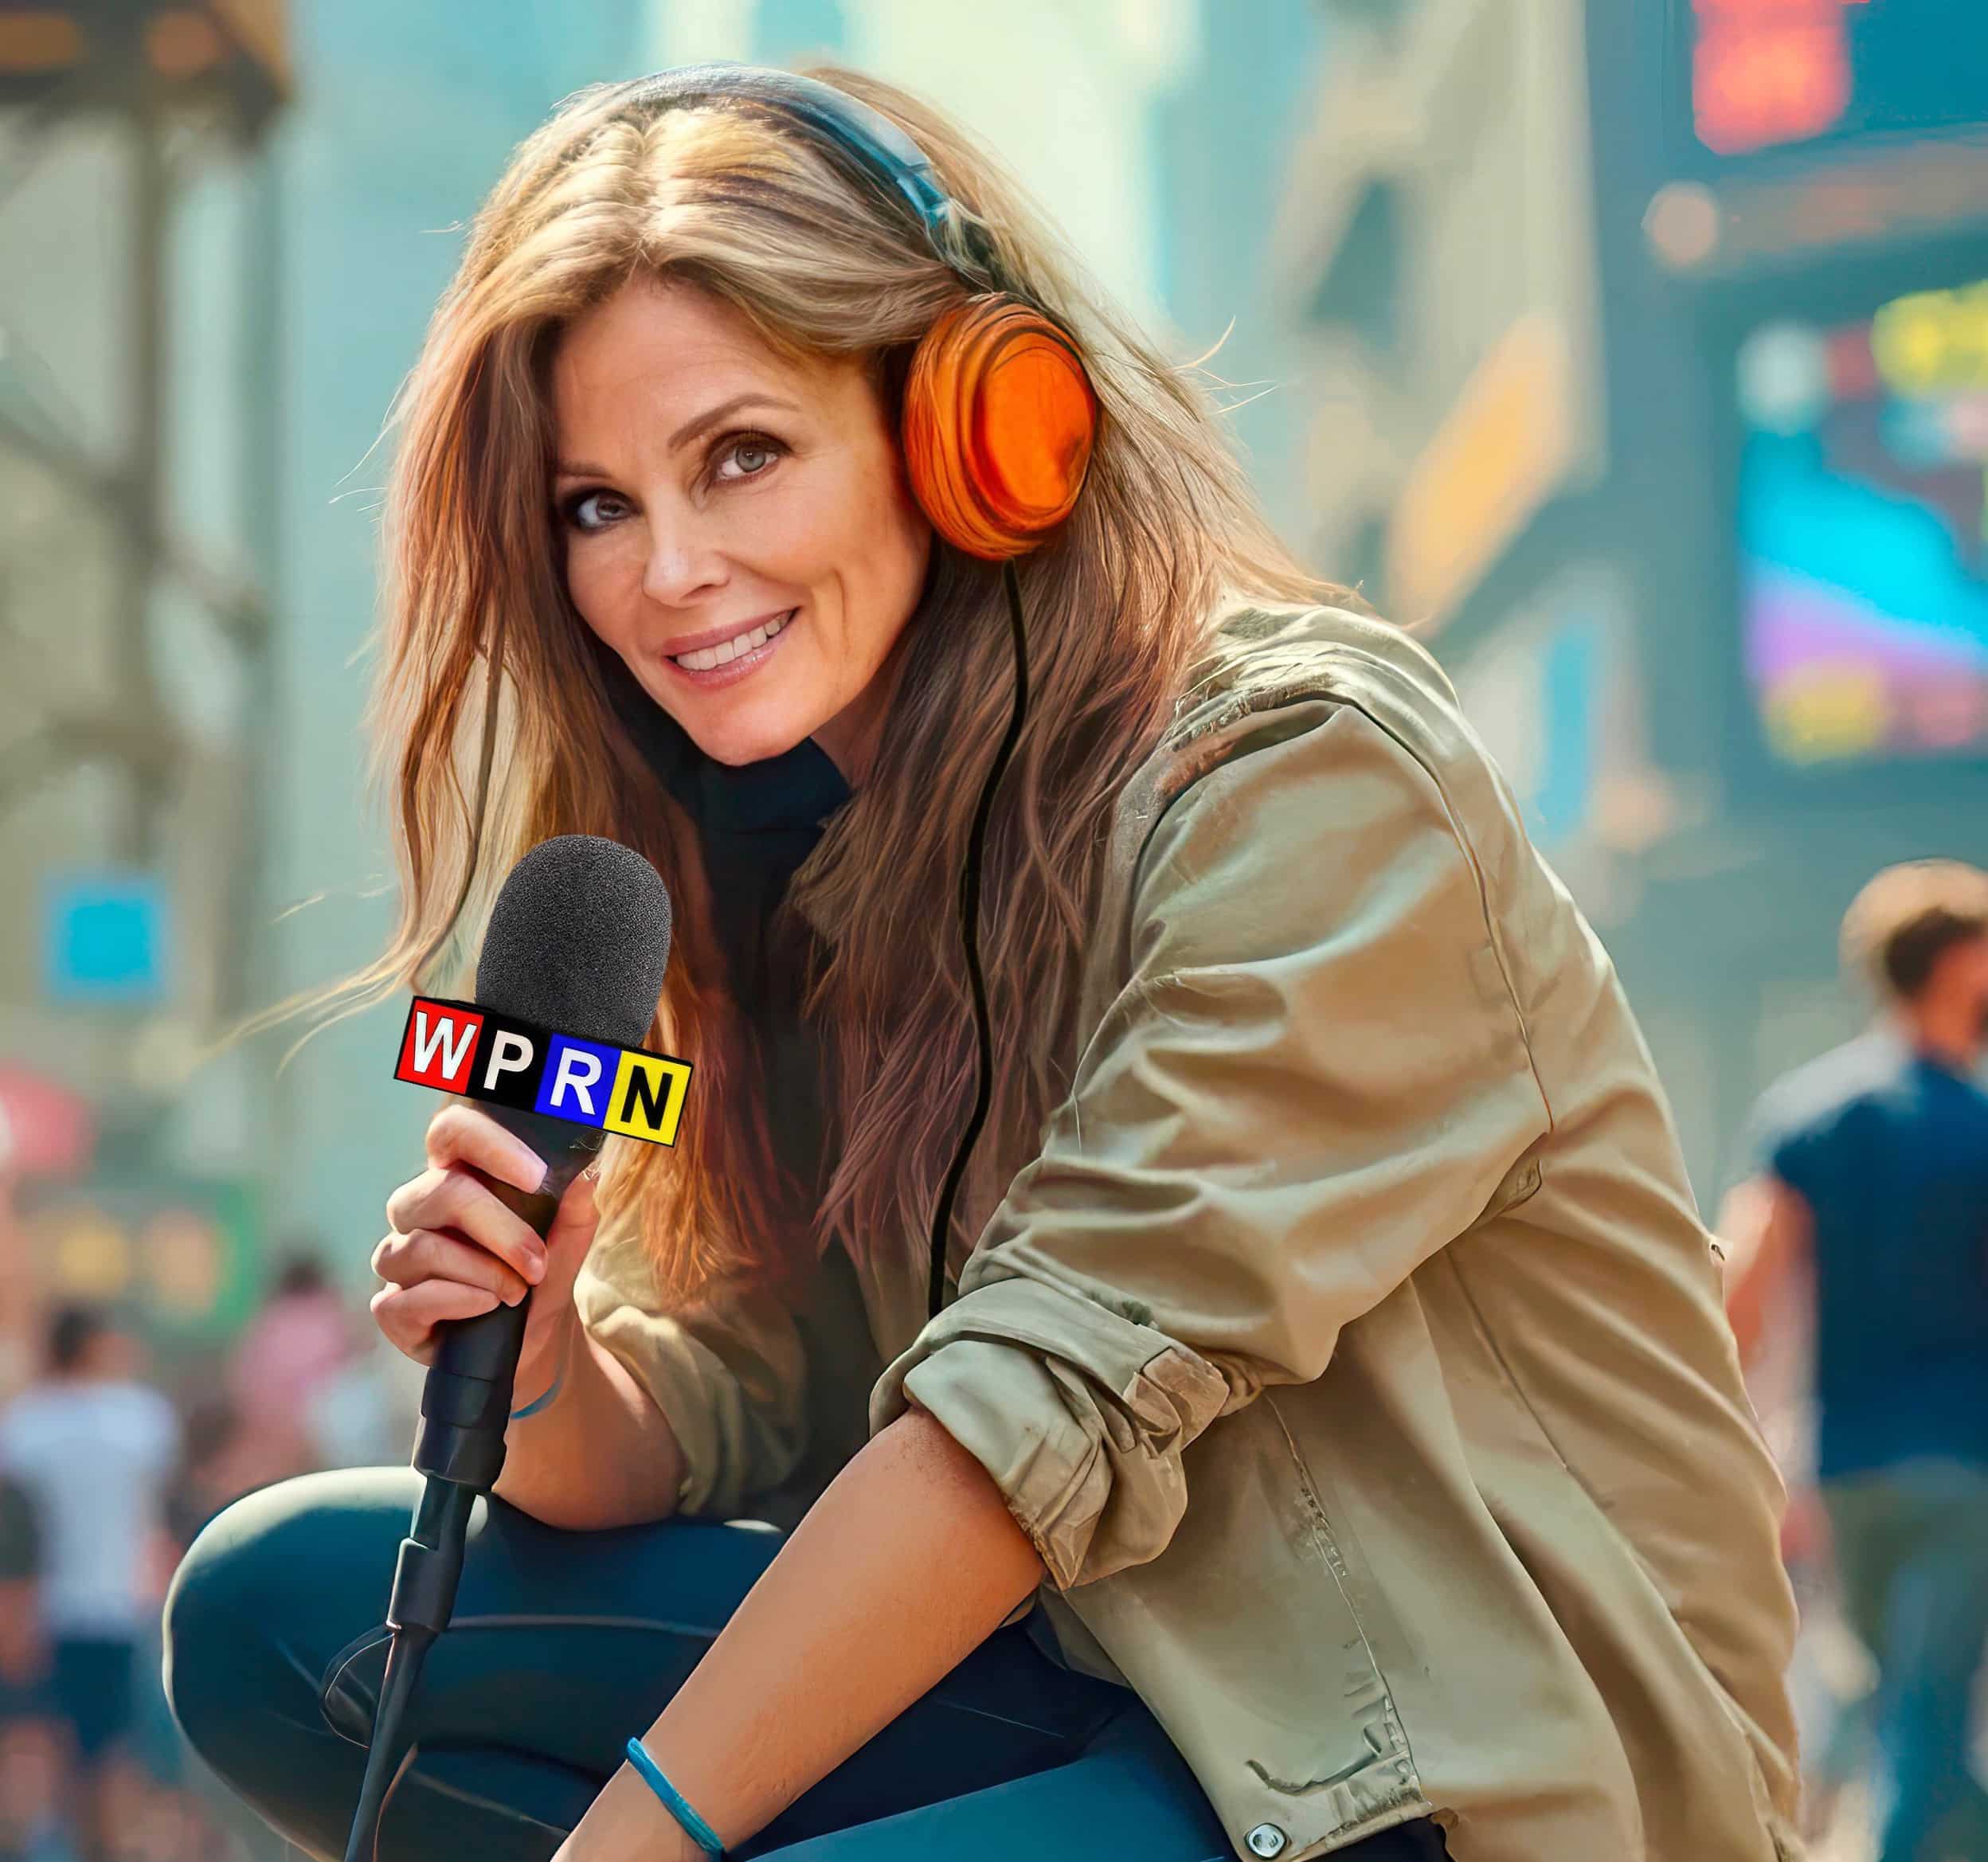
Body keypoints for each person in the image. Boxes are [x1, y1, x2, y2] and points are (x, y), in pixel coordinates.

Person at [164, 62, 1802, 1862]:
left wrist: (622, 1853)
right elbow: (734, 1394)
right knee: (270, 1615)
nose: (668, 573)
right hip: (1109, 1698)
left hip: (1434, 1778)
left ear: (970, 426)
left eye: (740, 456)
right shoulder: (810, 882)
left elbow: (1026, 1418)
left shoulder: (1311, 777)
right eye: (594, 507)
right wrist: (547, 1346)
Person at [1723, 860, 1988, 1862]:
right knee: (1928, 1710)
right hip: (1964, 1466)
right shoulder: (1978, 1128)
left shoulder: (1805, 1115)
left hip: (1848, 1470)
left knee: (1890, 1696)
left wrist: (1756, 1454)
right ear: (1961, 967)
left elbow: (1741, 1299)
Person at [0, 1307, 181, 1862]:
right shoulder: (144, 1420)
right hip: (123, 1606)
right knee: (115, 1752)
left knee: (46, 1747)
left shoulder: (24, 1425)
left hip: (41, 1614)